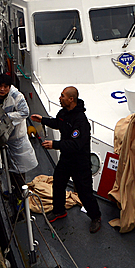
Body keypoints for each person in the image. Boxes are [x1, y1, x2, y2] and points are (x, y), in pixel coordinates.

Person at [31, 87, 102, 234]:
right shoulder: (64, 113)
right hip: (66, 160)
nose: (59, 98)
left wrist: (54, 145)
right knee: (58, 184)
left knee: (84, 193)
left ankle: (96, 217)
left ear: (71, 99)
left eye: (62, 96)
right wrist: (43, 120)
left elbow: (76, 144)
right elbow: (59, 123)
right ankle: (59, 210)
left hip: (80, 163)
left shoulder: (81, 122)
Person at [0, 74, 37, 178]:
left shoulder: (16, 96)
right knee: (8, 166)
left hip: (16, 136)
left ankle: (20, 190)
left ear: (9, 87)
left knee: (20, 168)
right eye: (0, 86)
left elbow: (25, 112)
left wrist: (6, 116)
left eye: (5, 87)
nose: (2, 89)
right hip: (4, 137)